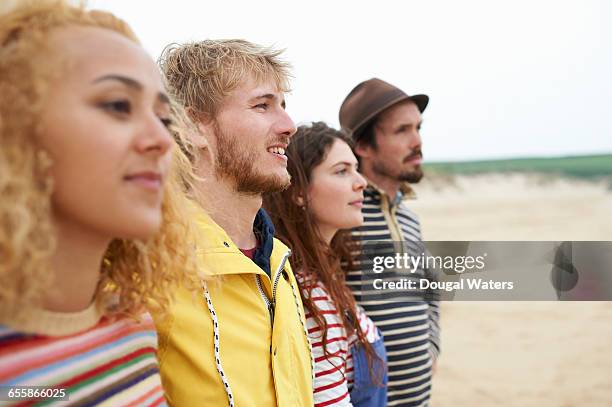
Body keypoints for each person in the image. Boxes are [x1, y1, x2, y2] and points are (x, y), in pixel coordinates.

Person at [0, 1, 199, 405]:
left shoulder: (132, 325)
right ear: (16, 128)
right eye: (118, 105)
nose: (162, 140)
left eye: (164, 118)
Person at [153, 40, 313, 406]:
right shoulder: (149, 267)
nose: (289, 126)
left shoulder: (279, 263)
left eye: (284, 106)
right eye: (262, 105)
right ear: (193, 126)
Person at [264, 122, 388, 406]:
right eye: (342, 171)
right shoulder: (308, 297)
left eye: (356, 169)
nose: (361, 182)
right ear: (298, 192)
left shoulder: (325, 273)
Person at [339, 78, 441, 406]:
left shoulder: (410, 218)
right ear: (363, 147)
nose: (418, 141)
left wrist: (432, 347)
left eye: (418, 128)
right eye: (402, 131)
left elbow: (430, 289)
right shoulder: (342, 216)